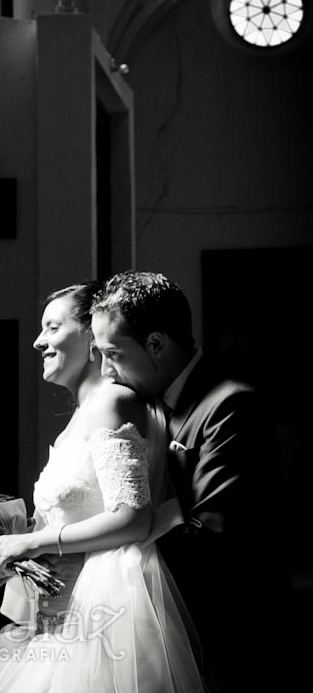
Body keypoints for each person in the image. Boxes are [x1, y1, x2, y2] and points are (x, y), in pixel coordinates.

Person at [0, 282, 207, 693]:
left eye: (52, 327)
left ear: (90, 337)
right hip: (64, 617)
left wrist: (36, 543)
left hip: (107, 620)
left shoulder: (111, 402)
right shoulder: (79, 419)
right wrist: (10, 549)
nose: (39, 341)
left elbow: (133, 519)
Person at [90, 270, 293, 693]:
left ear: (156, 345)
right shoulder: (149, 405)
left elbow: (214, 533)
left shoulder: (230, 405)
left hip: (231, 636)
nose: (106, 372)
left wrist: (104, 560)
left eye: (112, 354)